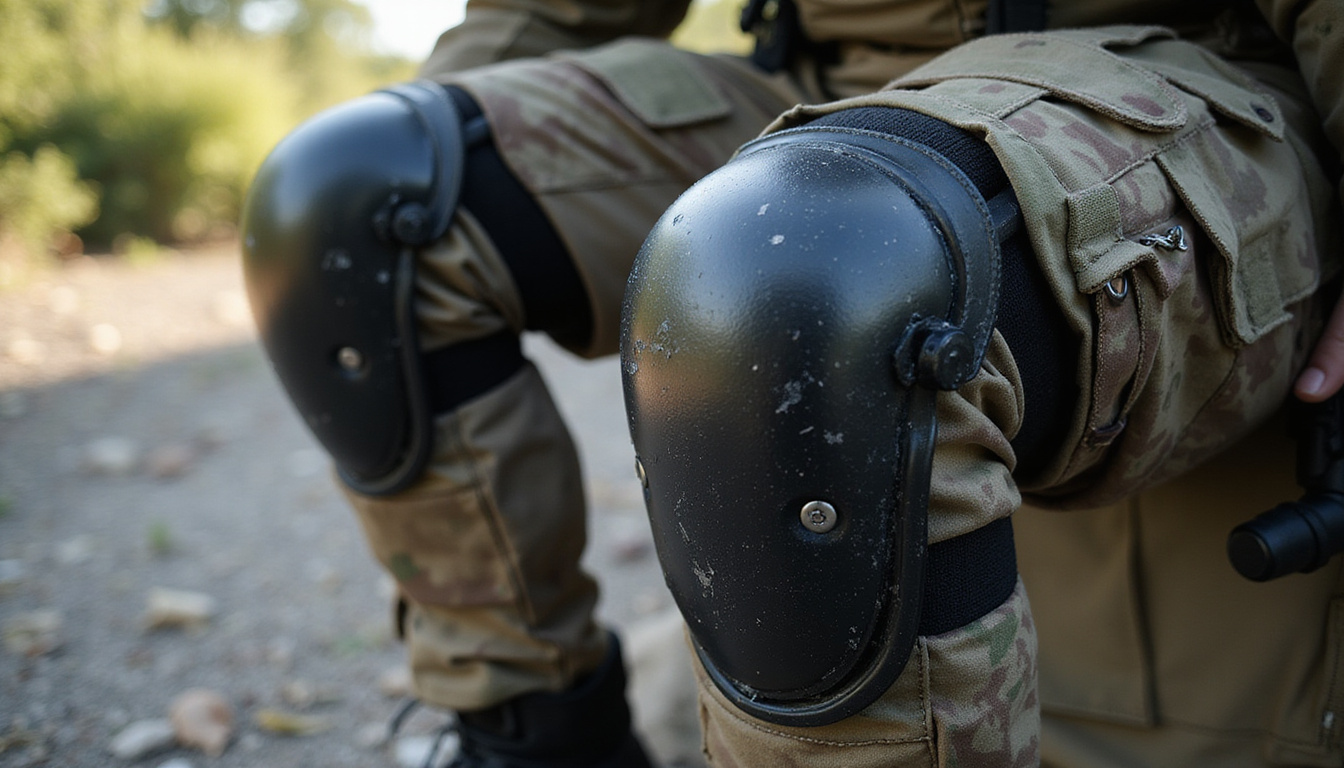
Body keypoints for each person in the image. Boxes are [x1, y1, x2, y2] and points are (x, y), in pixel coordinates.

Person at [239, 0, 1344, 765]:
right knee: (353, 209)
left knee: (818, 275)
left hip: (1197, 88)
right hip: (839, 87)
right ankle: (537, 744)